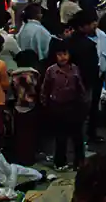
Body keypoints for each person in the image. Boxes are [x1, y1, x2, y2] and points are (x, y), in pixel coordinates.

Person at [42, 41, 87, 169]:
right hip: (57, 107)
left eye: (65, 54)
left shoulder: (75, 69)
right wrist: (46, 105)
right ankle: (60, 162)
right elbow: (45, 89)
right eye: (59, 54)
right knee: (61, 137)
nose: (63, 57)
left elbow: (80, 87)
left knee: (77, 136)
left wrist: (83, 104)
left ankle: (79, 162)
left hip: (74, 106)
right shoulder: (51, 71)